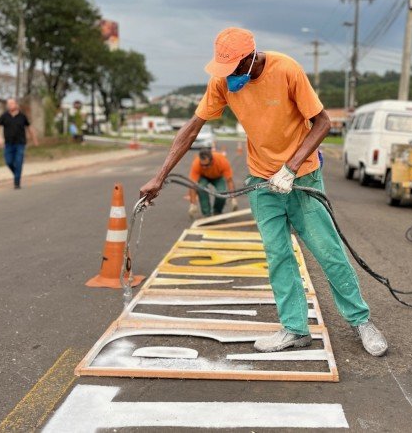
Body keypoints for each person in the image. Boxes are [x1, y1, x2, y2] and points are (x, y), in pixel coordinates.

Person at [140, 27, 387, 356]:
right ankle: (295, 329)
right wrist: (159, 176)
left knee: (327, 253)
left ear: (249, 59)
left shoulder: (286, 69)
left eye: (233, 70)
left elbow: (323, 122)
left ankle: (361, 322)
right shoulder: (222, 82)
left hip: (302, 178)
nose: (228, 78)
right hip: (261, 181)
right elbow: (191, 129)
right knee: (278, 256)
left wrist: (292, 167)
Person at [0, 98, 38, 189]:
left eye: (12, 103)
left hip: (20, 143)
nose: (10, 105)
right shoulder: (4, 116)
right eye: (8, 104)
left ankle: (17, 182)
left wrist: (34, 140)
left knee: (18, 162)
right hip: (8, 144)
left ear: (16, 104)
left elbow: (29, 128)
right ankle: (17, 175)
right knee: (9, 162)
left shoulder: (22, 116)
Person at [188, 148, 237, 218]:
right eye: (202, 165)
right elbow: (192, 184)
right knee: (201, 189)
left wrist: (233, 198)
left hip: (218, 177)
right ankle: (206, 214)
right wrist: (193, 203)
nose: (204, 167)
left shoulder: (222, 161)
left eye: (207, 165)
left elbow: (229, 181)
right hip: (203, 177)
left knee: (222, 192)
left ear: (212, 160)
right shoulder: (196, 163)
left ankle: (217, 212)